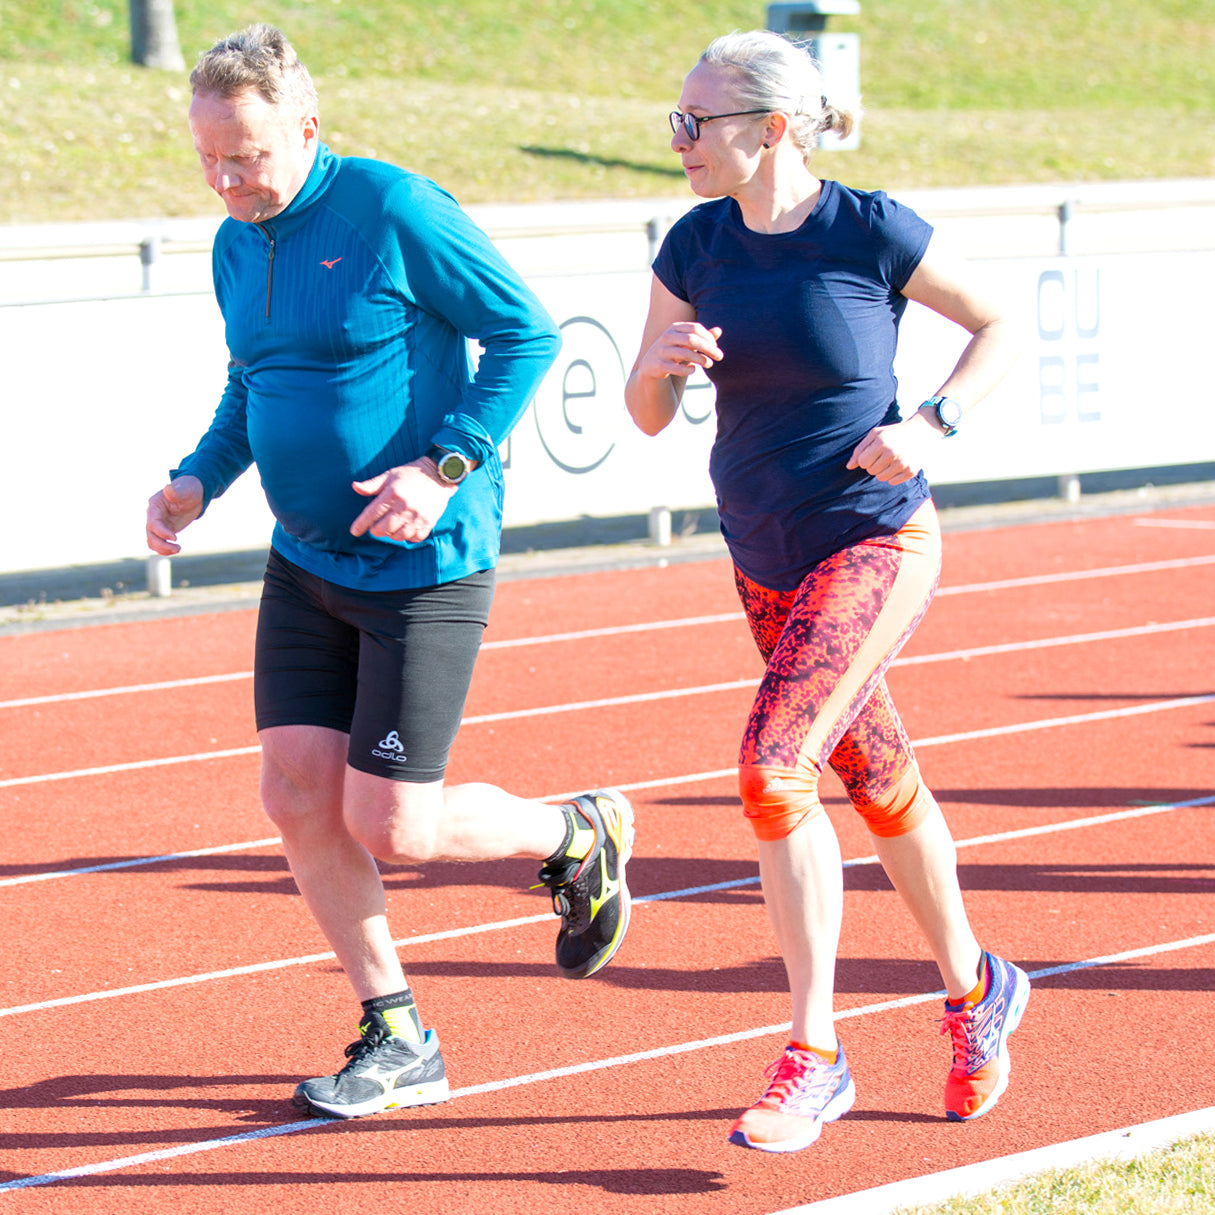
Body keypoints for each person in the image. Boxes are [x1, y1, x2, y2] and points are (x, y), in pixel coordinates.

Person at [145, 23, 633, 1121]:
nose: (227, 181)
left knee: (397, 829)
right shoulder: (236, 240)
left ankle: (575, 833)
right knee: (292, 792)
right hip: (304, 560)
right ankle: (398, 1031)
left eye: (249, 158)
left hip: (422, 570)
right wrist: (198, 479)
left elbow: (524, 334)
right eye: (208, 158)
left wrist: (445, 465)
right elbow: (256, 380)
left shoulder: (393, 210)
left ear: (307, 130)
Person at [625, 31, 1028, 1154]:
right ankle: (977, 985)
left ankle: (816, 1053)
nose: (679, 141)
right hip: (763, 556)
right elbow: (644, 412)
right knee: (879, 773)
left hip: (874, 541)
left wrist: (930, 423)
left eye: (695, 123)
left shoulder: (868, 227)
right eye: (677, 119)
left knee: (773, 768)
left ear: (773, 129)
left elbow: (1001, 324)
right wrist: (661, 368)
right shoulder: (696, 242)